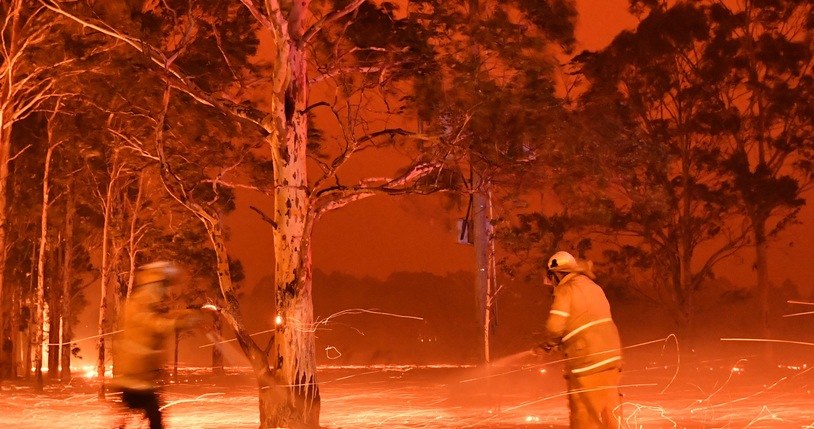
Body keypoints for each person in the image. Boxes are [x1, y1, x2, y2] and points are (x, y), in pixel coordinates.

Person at [534, 251, 623, 428]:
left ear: (558, 273)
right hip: (612, 358)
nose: (550, 283)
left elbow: (554, 326)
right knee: (610, 414)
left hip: (586, 361)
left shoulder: (566, 289)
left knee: (583, 415)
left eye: (551, 277)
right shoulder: (594, 287)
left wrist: (547, 345)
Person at [111, 261, 202, 429]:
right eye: (162, 286)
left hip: (143, 378)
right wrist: (182, 321)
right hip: (134, 379)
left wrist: (187, 315)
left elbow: (163, 319)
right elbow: (156, 324)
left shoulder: (148, 305)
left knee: (150, 418)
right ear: (153, 285)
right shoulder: (138, 305)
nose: (165, 291)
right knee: (154, 419)